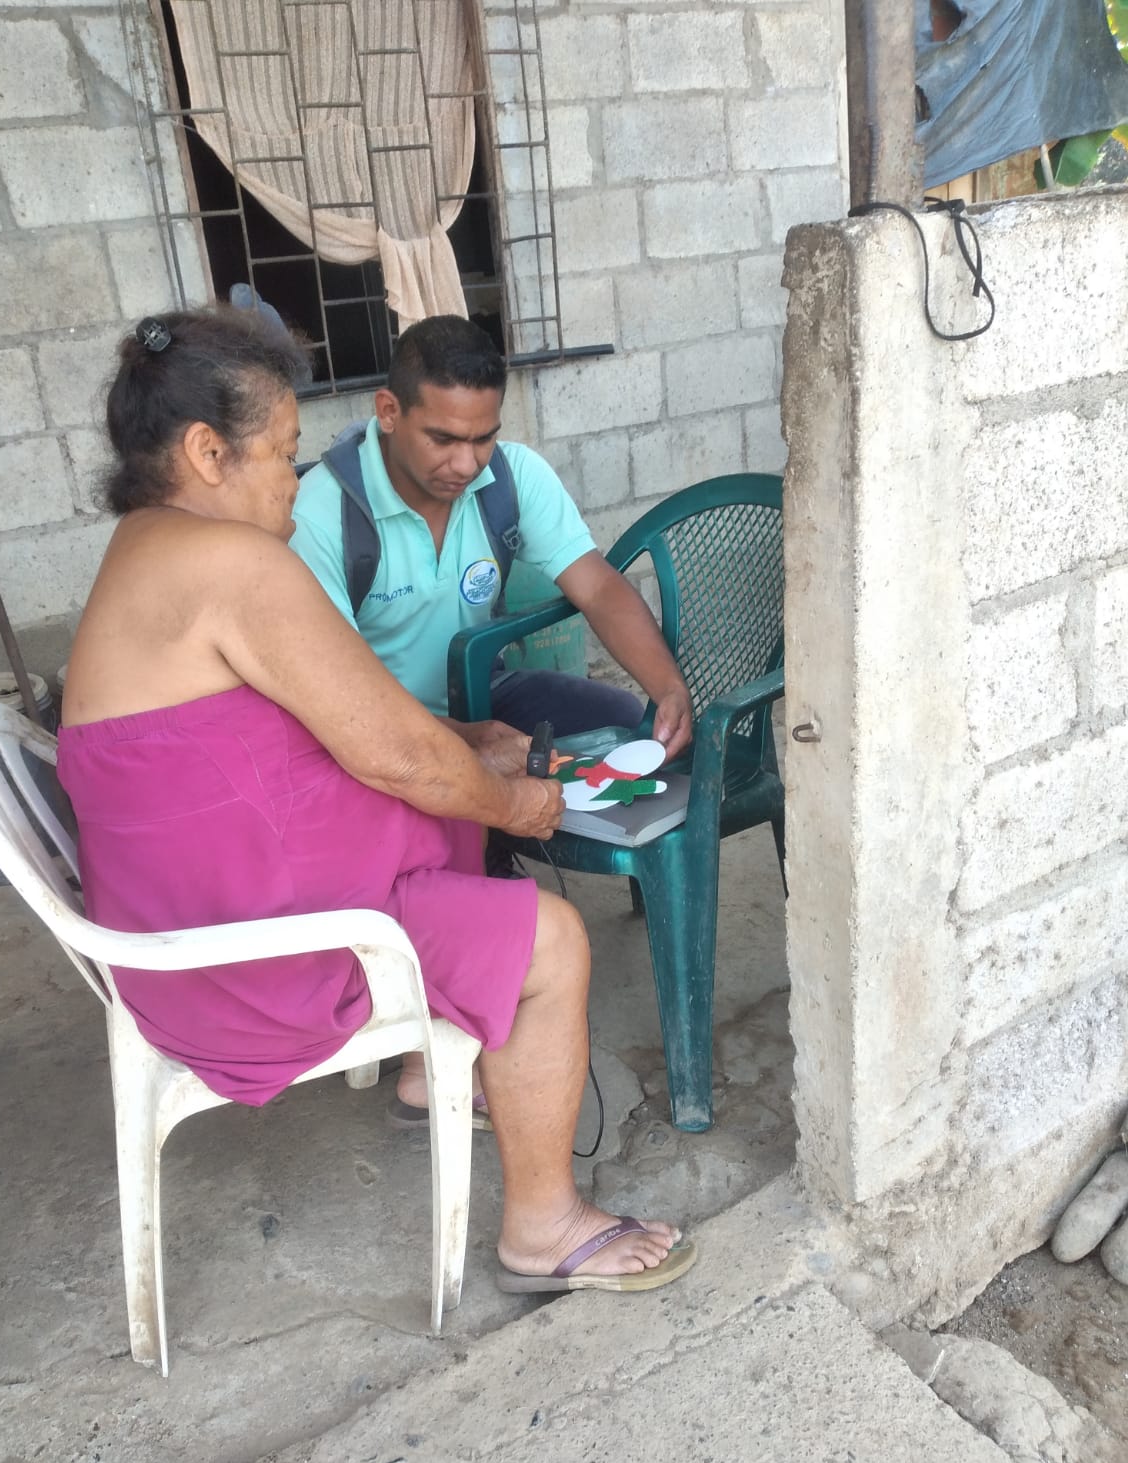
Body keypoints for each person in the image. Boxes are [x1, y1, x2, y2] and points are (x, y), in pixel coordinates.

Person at [56, 305, 695, 1298]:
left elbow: (326, 728)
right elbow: (391, 753)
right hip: (246, 964)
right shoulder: (232, 563)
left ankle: (428, 1070)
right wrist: (515, 805)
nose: (295, 478)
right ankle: (545, 1226)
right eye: (281, 454)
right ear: (207, 453)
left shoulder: (147, 547)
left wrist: (464, 751)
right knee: (551, 937)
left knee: (453, 793)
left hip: (182, 928)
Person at [290, 314, 694, 764]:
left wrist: (669, 688)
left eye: (483, 439)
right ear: (389, 412)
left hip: (481, 697)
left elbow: (598, 588)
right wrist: (463, 741)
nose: (466, 464)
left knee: (620, 720)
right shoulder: (320, 515)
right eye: (443, 440)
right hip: (368, 725)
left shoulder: (512, 476)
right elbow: (331, 692)